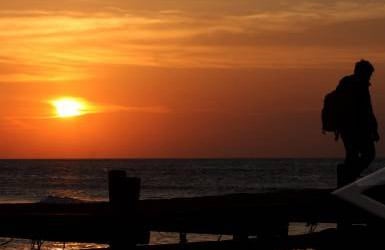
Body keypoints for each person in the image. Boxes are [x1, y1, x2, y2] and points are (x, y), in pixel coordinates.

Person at [336, 60, 380, 187]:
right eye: (369, 74)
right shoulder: (360, 85)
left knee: (352, 155)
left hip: (345, 127)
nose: (370, 77)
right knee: (369, 154)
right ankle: (348, 177)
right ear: (364, 72)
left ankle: (346, 180)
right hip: (357, 128)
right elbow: (367, 109)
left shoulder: (345, 82)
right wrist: (374, 129)